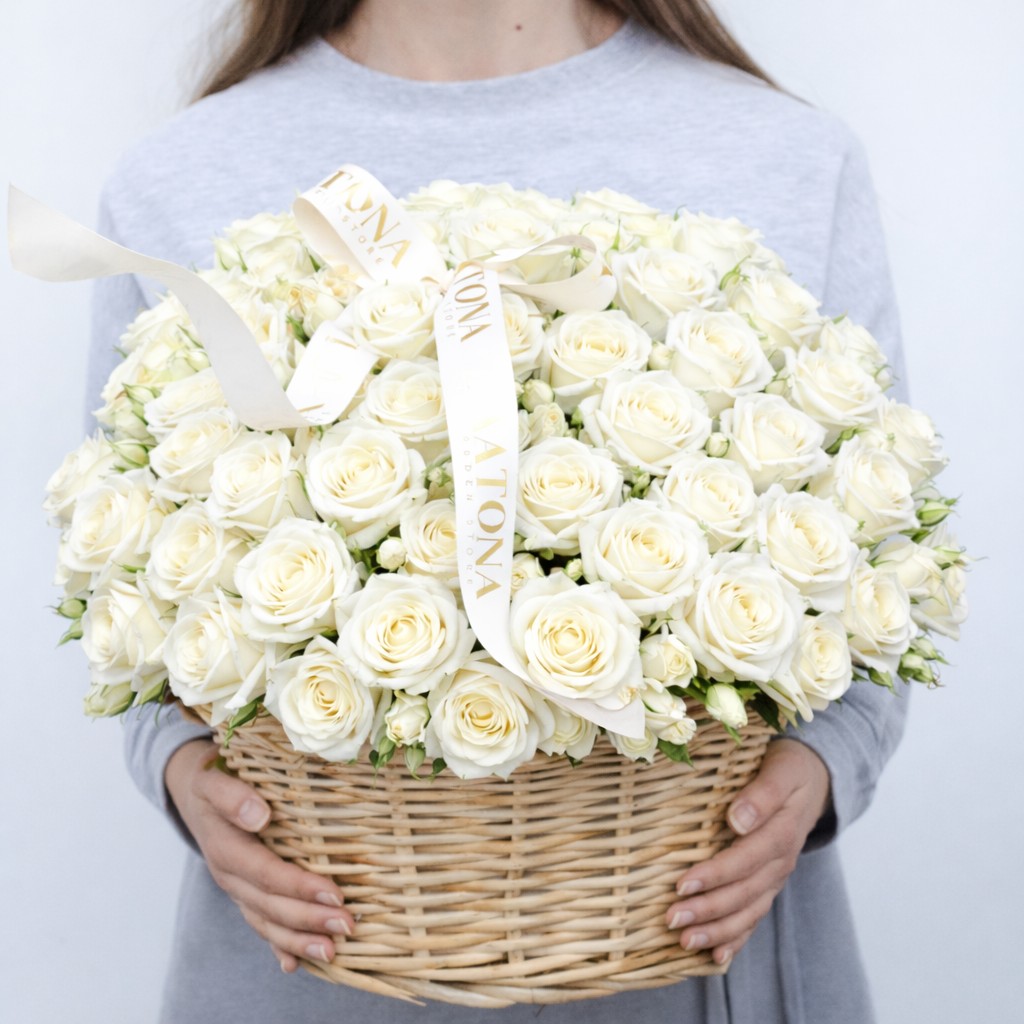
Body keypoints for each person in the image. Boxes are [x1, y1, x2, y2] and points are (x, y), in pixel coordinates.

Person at [89, 2, 910, 1021]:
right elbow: (129, 603)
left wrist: (819, 770)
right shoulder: (180, 173)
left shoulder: (784, 154)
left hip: (698, 955)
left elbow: (879, 572)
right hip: (307, 965)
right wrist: (183, 773)